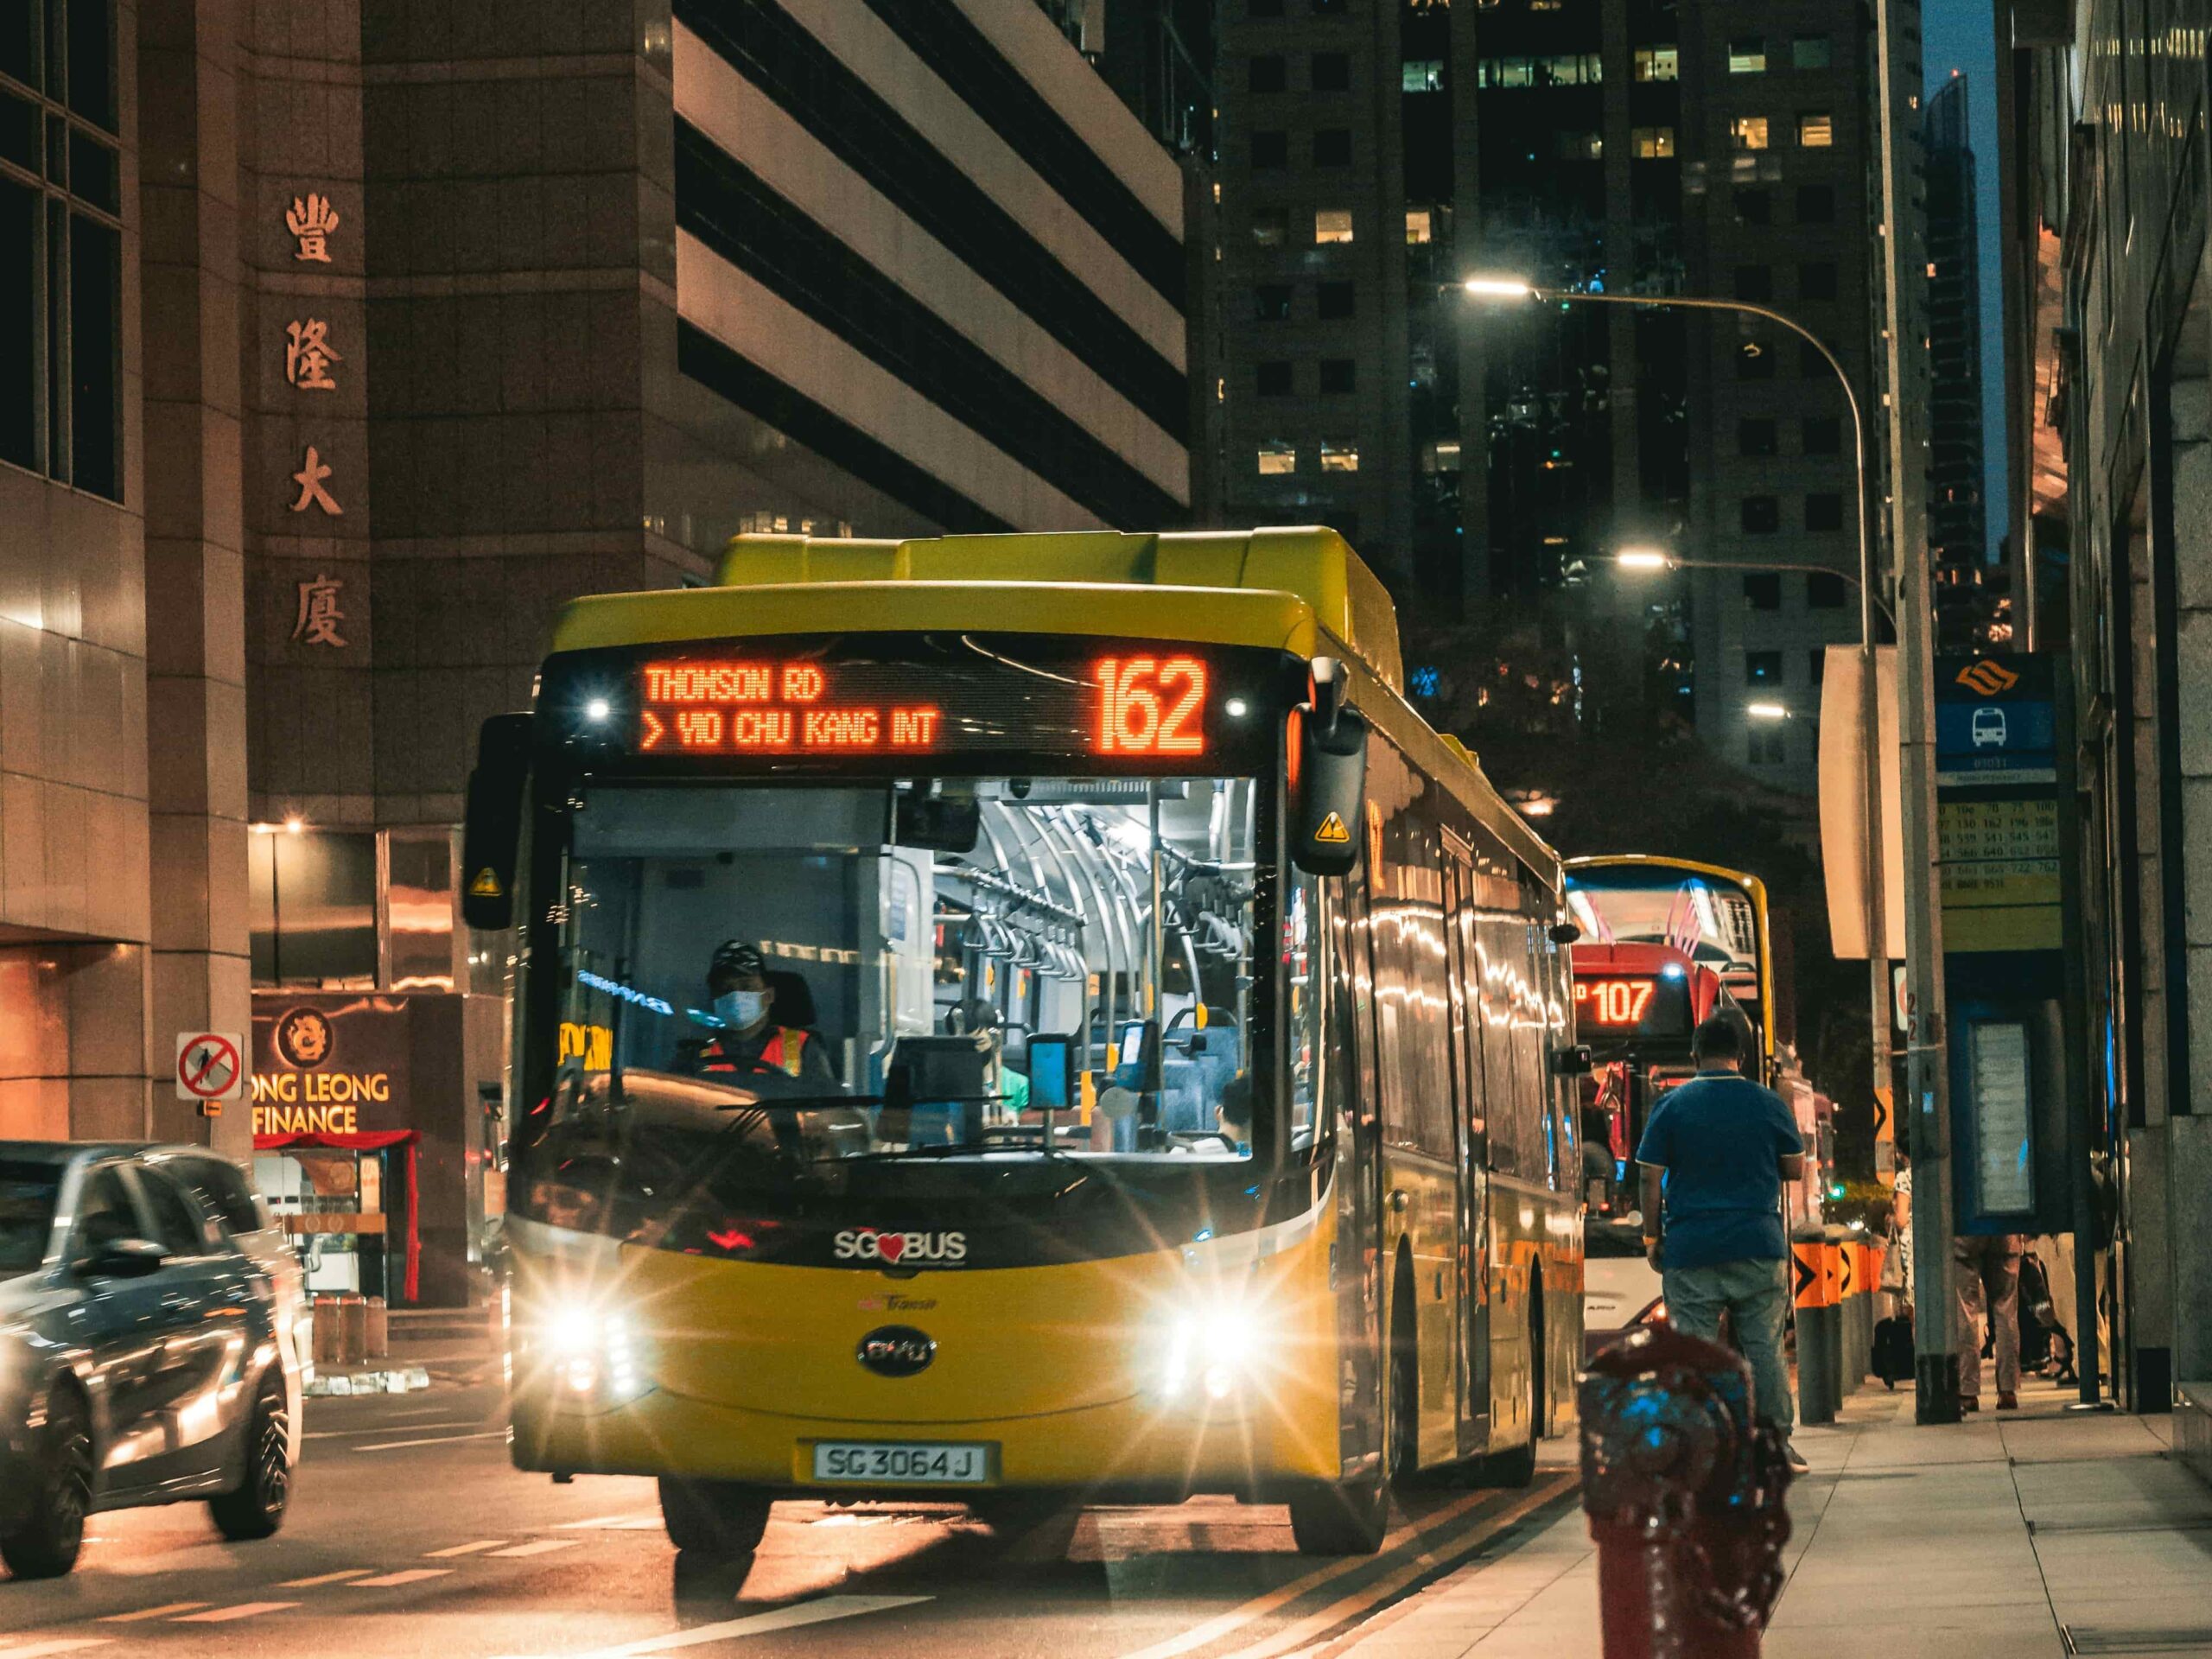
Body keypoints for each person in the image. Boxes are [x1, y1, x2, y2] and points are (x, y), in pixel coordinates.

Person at [1637, 1014, 1808, 1472]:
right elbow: (1794, 1168)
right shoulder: (1768, 1103)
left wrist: (1653, 1236)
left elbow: (1649, 1177)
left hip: (1692, 1247)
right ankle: (1776, 1445)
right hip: (1758, 1243)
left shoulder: (1670, 1106)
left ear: (1695, 1055)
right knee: (1765, 1349)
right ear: (1742, 1057)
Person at [679, 941, 839, 1094]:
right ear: (715, 999)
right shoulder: (695, 1055)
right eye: (726, 989)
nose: (735, 995)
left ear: (768, 995)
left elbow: (827, 1113)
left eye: (746, 986)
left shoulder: (803, 1048)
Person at [1955, 1232, 2024, 1411]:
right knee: (2006, 1309)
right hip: (2005, 1229)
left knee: (1965, 1310)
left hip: (1965, 1233)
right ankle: (2008, 1390)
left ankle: (1967, 1391)